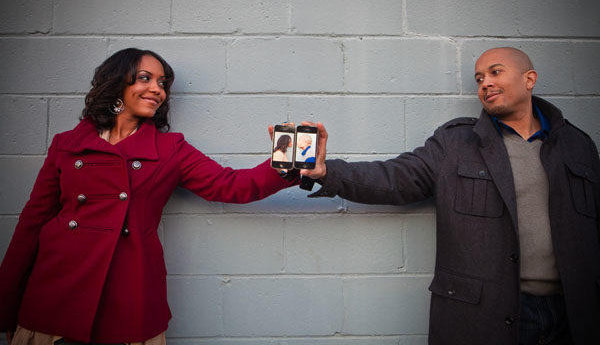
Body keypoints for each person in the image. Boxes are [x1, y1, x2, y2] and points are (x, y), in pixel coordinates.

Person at [301, 48, 600, 344]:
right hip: (487, 315)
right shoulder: (456, 142)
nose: (485, 83)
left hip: (572, 313)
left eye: (495, 72)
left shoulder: (578, 145)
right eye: (479, 78)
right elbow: (396, 178)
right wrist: (328, 172)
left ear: (529, 79)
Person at [0, 48, 297, 345]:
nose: (158, 89)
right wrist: (6, 308)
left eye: (163, 83)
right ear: (117, 83)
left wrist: (290, 158)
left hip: (128, 299)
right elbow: (31, 223)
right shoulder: (66, 144)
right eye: (145, 78)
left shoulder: (170, 149)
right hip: (53, 295)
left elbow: (231, 185)